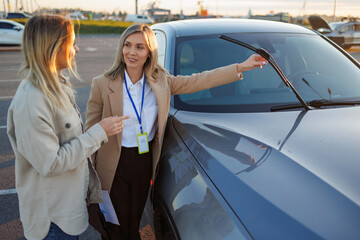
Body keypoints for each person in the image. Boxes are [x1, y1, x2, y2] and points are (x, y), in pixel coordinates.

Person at [85, 24, 267, 240]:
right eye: (127, 45)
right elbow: (90, 132)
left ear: (149, 52)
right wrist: (89, 180)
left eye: (139, 47)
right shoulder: (102, 84)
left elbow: (199, 80)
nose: (132, 52)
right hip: (113, 164)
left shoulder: (161, 81)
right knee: (114, 221)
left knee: (136, 219)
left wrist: (240, 67)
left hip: (144, 161)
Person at [6, 15, 128, 240]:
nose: (77, 49)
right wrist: (98, 132)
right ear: (53, 48)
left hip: (66, 213)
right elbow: (51, 163)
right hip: (53, 222)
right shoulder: (33, 100)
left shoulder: (55, 86)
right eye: (72, 43)